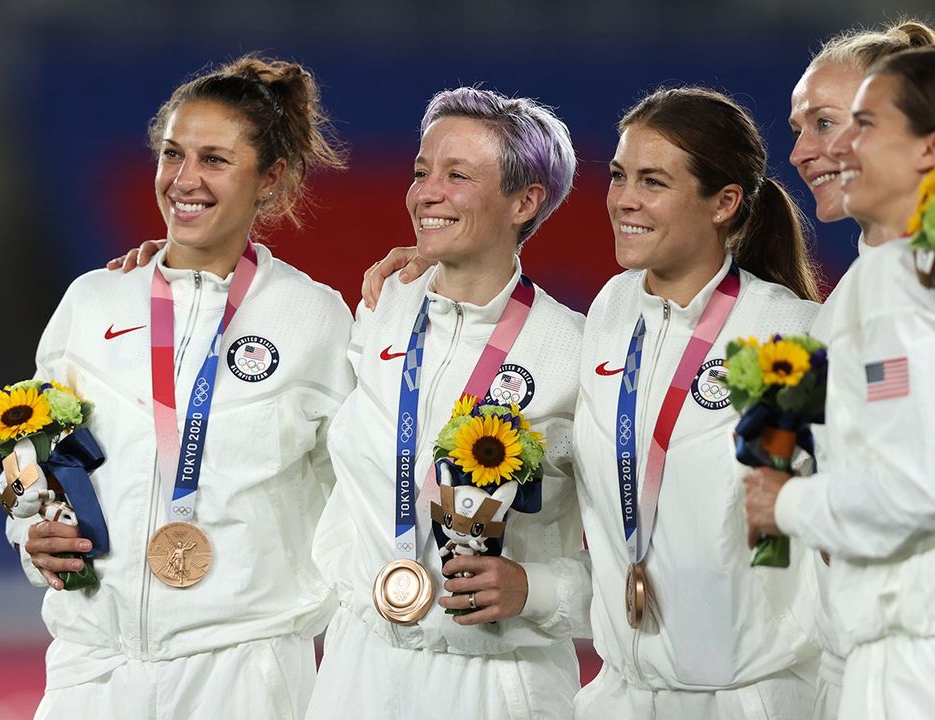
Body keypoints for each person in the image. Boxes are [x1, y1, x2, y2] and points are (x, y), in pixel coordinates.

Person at [363, 87, 825, 718]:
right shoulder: (611, 313)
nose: (625, 200)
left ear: (724, 203)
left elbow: (855, 515)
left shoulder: (788, 335)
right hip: (621, 695)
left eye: (654, 182)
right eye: (618, 176)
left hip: (752, 696)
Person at [11, 55, 354, 720]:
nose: (185, 180)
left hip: (245, 674)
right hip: (92, 668)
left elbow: (361, 492)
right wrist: (30, 529)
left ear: (270, 179)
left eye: (215, 160)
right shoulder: (94, 300)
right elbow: (32, 451)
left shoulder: (314, 319)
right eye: (173, 154)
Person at [307, 87, 590, 720]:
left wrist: (538, 589)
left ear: (525, 201)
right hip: (359, 670)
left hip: (498, 682)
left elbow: (647, 549)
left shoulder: (572, 352)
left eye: (456, 175)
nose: (424, 193)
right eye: (420, 171)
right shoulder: (382, 308)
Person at [745, 46, 935, 720]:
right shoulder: (869, 287)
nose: (806, 153)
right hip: (867, 648)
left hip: (909, 655)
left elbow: (914, 484)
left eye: (846, 123)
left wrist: (786, 506)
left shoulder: (902, 285)